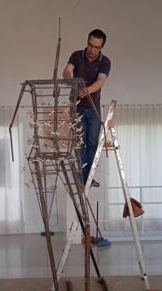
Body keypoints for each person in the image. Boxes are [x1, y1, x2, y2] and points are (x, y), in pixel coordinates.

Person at [63, 29, 111, 186]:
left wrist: (86, 91)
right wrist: (72, 81)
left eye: (97, 47)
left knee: (92, 144)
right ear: (87, 42)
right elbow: (67, 71)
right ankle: (83, 176)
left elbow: (101, 81)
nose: (92, 50)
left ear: (101, 47)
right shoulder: (77, 56)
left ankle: (89, 176)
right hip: (77, 108)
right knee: (80, 143)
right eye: (90, 45)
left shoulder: (105, 61)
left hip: (93, 108)